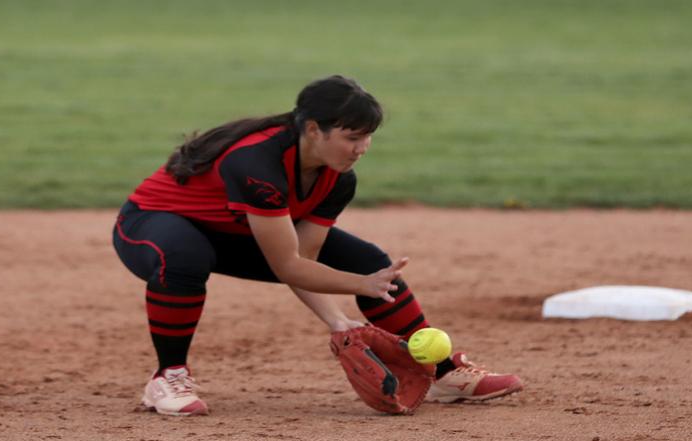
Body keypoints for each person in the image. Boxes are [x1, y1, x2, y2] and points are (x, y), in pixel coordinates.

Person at [112, 75, 523, 416]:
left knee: (370, 263)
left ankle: (444, 373)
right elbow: (288, 265)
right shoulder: (257, 165)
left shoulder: (337, 176)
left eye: (368, 137)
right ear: (313, 129)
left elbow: (302, 259)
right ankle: (167, 377)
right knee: (185, 257)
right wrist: (359, 287)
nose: (361, 148)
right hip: (152, 225)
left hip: (238, 232)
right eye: (351, 137)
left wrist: (338, 320)